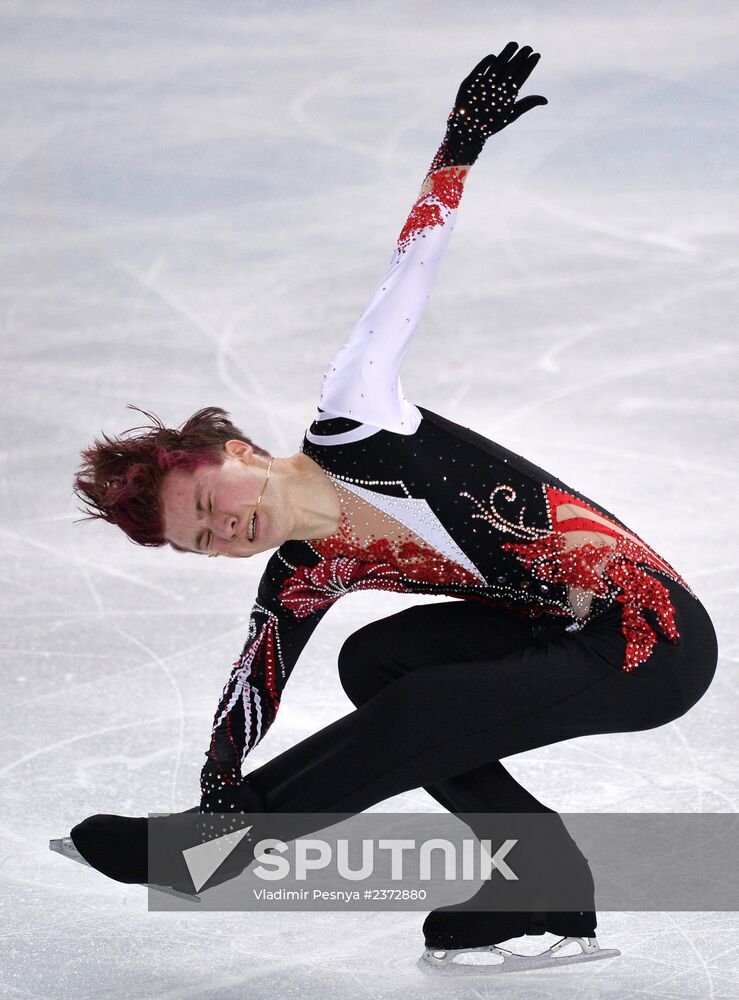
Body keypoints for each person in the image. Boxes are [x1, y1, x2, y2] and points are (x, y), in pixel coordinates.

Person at [66, 43, 718, 974]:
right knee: (381, 660)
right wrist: (215, 787)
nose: (223, 531)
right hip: (569, 639)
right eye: (200, 540)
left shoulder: (355, 419)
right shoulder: (303, 573)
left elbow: (405, 275)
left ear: (242, 453)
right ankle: (538, 878)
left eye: (210, 503)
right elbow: (253, 684)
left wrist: (459, 146)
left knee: (423, 704)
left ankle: (211, 857)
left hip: (647, 637)